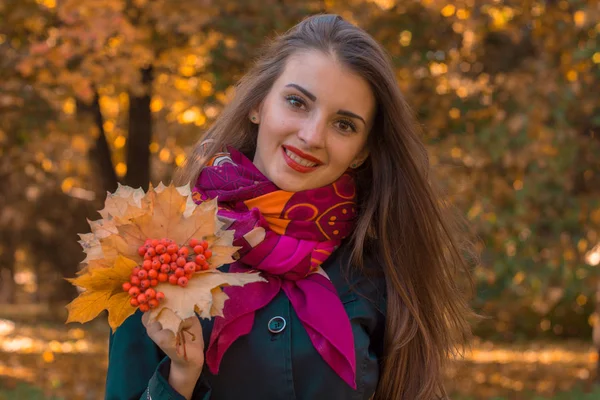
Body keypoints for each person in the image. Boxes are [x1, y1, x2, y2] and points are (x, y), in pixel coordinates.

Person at [105, 14, 475, 400]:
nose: (312, 136)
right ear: (257, 105)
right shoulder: (159, 254)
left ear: (362, 151)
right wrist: (180, 376)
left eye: (344, 124)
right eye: (297, 102)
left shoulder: (379, 271)